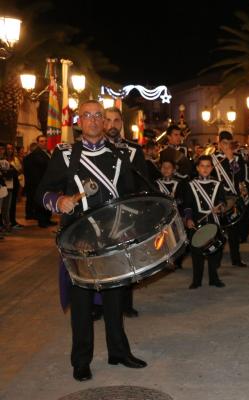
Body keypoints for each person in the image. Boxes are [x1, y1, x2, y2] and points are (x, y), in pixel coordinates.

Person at [37, 100, 147, 381]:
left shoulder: (120, 156)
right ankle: (81, 360)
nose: (95, 120)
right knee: (82, 302)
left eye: (99, 116)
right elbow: (42, 193)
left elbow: (129, 195)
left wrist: (128, 228)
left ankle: (118, 352)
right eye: (88, 116)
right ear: (79, 121)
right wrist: (58, 201)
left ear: (106, 121)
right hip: (78, 240)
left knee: (114, 298)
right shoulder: (64, 156)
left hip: (111, 237)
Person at [104, 106, 150, 318]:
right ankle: (100, 306)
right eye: (108, 120)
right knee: (103, 260)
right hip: (102, 214)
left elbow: (142, 182)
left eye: (116, 120)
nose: (112, 125)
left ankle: (126, 304)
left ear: (121, 123)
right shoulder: (95, 149)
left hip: (128, 213)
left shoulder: (134, 150)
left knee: (127, 259)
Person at [183, 156, 226, 288]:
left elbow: (223, 203)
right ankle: (197, 280)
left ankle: (214, 278)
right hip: (197, 222)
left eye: (208, 166)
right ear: (197, 168)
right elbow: (187, 205)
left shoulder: (218, 184)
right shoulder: (190, 185)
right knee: (197, 253)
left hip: (213, 221)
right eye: (202, 166)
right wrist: (188, 218)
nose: (205, 169)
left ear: (212, 168)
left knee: (214, 251)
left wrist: (220, 209)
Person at [211, 131, 248, 267]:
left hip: (233, 198)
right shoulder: (212, 159)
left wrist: (231, 159)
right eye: (224, 143)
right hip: (218, 199)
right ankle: (216, 260)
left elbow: (241, 177)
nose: (226, 146)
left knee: (234, 230)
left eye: (229, 143)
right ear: (219, 144)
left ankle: (236, 259)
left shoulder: (237, 158)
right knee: (217, 230)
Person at [23, 135, 56, 227]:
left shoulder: (47, 152)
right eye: (41, 141)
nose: (44, 143)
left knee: (48, 201)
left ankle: (47, 219)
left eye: (45, 141)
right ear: (37, 143)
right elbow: (37, 171)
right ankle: (42, 221)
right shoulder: (36, 154)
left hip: (48, 182)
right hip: (41, 183)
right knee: (41, 203)